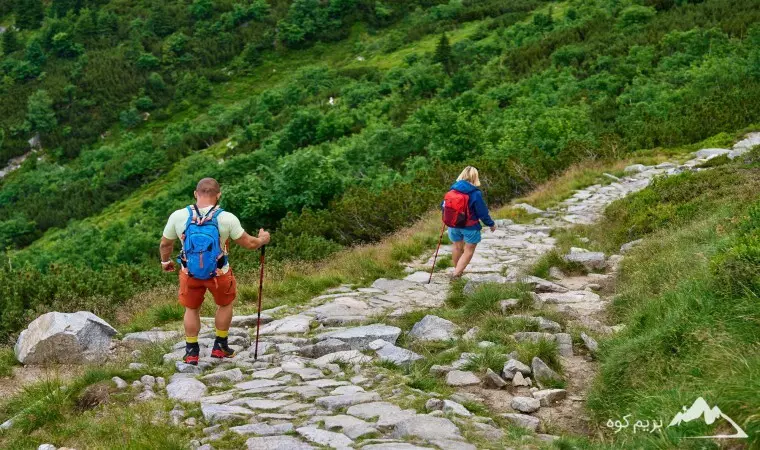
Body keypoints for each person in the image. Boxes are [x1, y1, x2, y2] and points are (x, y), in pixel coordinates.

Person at [159, 178, 270, 365]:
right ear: (218, 195)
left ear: (196, 194)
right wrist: (262, 240)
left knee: (191, 309)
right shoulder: (226, 218)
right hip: (219, 273)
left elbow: (165, 243)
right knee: (225, 305)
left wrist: (165, 261)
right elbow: (250, 244)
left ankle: (192, 351)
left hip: (189, 273)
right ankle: (220, 346)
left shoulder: (178, 216)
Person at [444, 166, 495, 279]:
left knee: (457, 247)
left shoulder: (452, 190)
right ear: (475, 177)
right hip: (470, 227)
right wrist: (491, 224)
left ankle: (457, 271)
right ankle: (456, 274)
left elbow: (444, 207)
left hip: (453, 225)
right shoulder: (475, 193)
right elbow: (482, 212)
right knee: (469, 250)